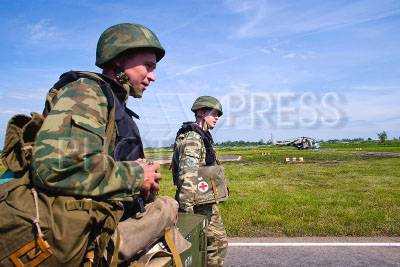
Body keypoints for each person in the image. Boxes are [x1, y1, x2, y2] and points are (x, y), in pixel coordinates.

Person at [0, 23, 181, 266]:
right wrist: (136, 175)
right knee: (168, 208)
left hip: (96, 220)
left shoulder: (109, 101)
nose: (153, 76)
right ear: (119, 59)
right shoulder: (87, 92)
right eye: (148, 66)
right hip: (76, 234)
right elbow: (57, 167)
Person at [171, 96, 229, 267]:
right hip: (196, 204)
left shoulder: (202, 135)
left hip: (205, 201)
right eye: (214, 113)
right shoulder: (193, 138)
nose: (217, 117)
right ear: (201, 112)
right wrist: (187, 213)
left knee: (212, 245)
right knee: (214, 245)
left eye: (219, 114)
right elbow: (188, 176)